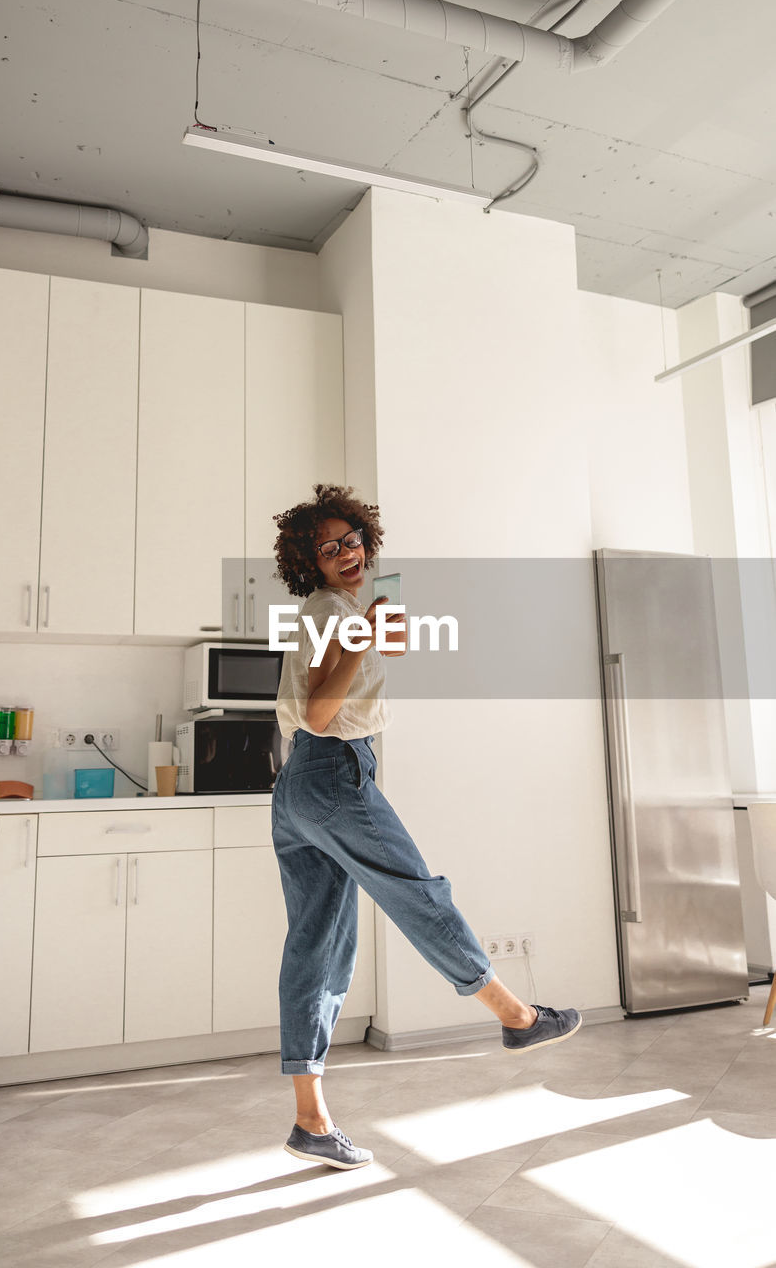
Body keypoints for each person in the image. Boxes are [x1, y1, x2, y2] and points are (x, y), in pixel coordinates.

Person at [271, 484, 581, 1171]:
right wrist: (361, 634)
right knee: (419, 894)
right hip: (332, 770)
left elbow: (367, 669)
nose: (346, 553)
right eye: (329, 548)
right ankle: (516, 1018)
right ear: (309, 562)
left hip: (297, 786)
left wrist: (378, 631)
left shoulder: (338, 608)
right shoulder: (331, 612)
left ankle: (310, 1119)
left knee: (315, 945)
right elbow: (322, 713)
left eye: (351, 539)